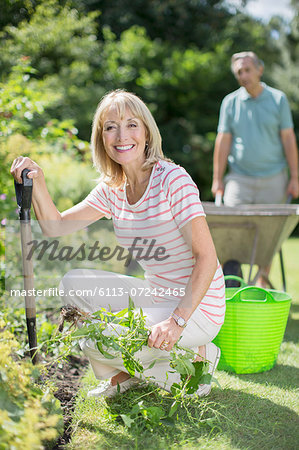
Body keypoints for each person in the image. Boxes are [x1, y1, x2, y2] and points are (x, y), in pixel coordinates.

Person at [11, 90, 225, 398]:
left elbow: (206, 257)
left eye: (131, 124)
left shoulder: (172, 181)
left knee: (92, 339)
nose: (121, 135)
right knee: (73, 285)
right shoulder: (113, 189)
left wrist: (177, 321)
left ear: (147, 132)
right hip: (157, 294)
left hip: (198, 307)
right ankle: (136, 373)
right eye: (110, 126)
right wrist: (39, 181)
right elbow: (55, 226)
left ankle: (197, 358)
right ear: (101, 138)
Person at [212, 51, 299, 286]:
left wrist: (295, 177)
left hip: (274, 176)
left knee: (269, 234)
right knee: (228, 227)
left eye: (248, 70)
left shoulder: (277, 99)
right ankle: (231, 278)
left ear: (259, 70)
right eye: (239, 72)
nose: (244, 75)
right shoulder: (230, 102)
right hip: (239, 177)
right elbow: (223, 141)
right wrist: (217, 179)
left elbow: (288, 138)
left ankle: (262, 280)